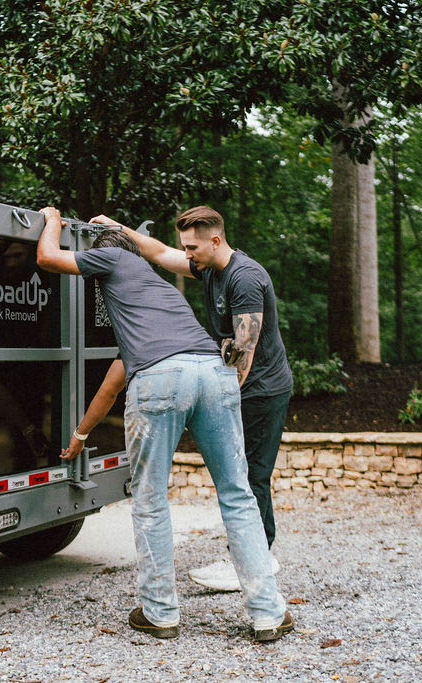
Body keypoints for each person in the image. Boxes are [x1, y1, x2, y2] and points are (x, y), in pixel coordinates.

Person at [36, 206, 292, 642]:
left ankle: (160, 613)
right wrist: (80, 435)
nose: (187, 252)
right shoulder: (159, 295)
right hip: (213, 374)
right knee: (238, 494)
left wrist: (52, 221)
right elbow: (112, 384)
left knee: (152, 499)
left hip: (180, 380)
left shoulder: (117, 260)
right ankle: (268, 613)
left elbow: (48, 259)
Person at [95, 206, 293, 592]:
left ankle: (258, 559)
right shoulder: (208, 267)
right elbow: (156, 252)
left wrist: (220, 403)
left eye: (192, 247)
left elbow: (243, 351)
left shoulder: (245, 277)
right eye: (185, 246)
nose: (186, 254)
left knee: (251, 475)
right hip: (236, 384)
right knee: (242, 475)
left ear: (215, 240)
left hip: (260, 389)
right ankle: (251, 554)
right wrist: (118, 228)